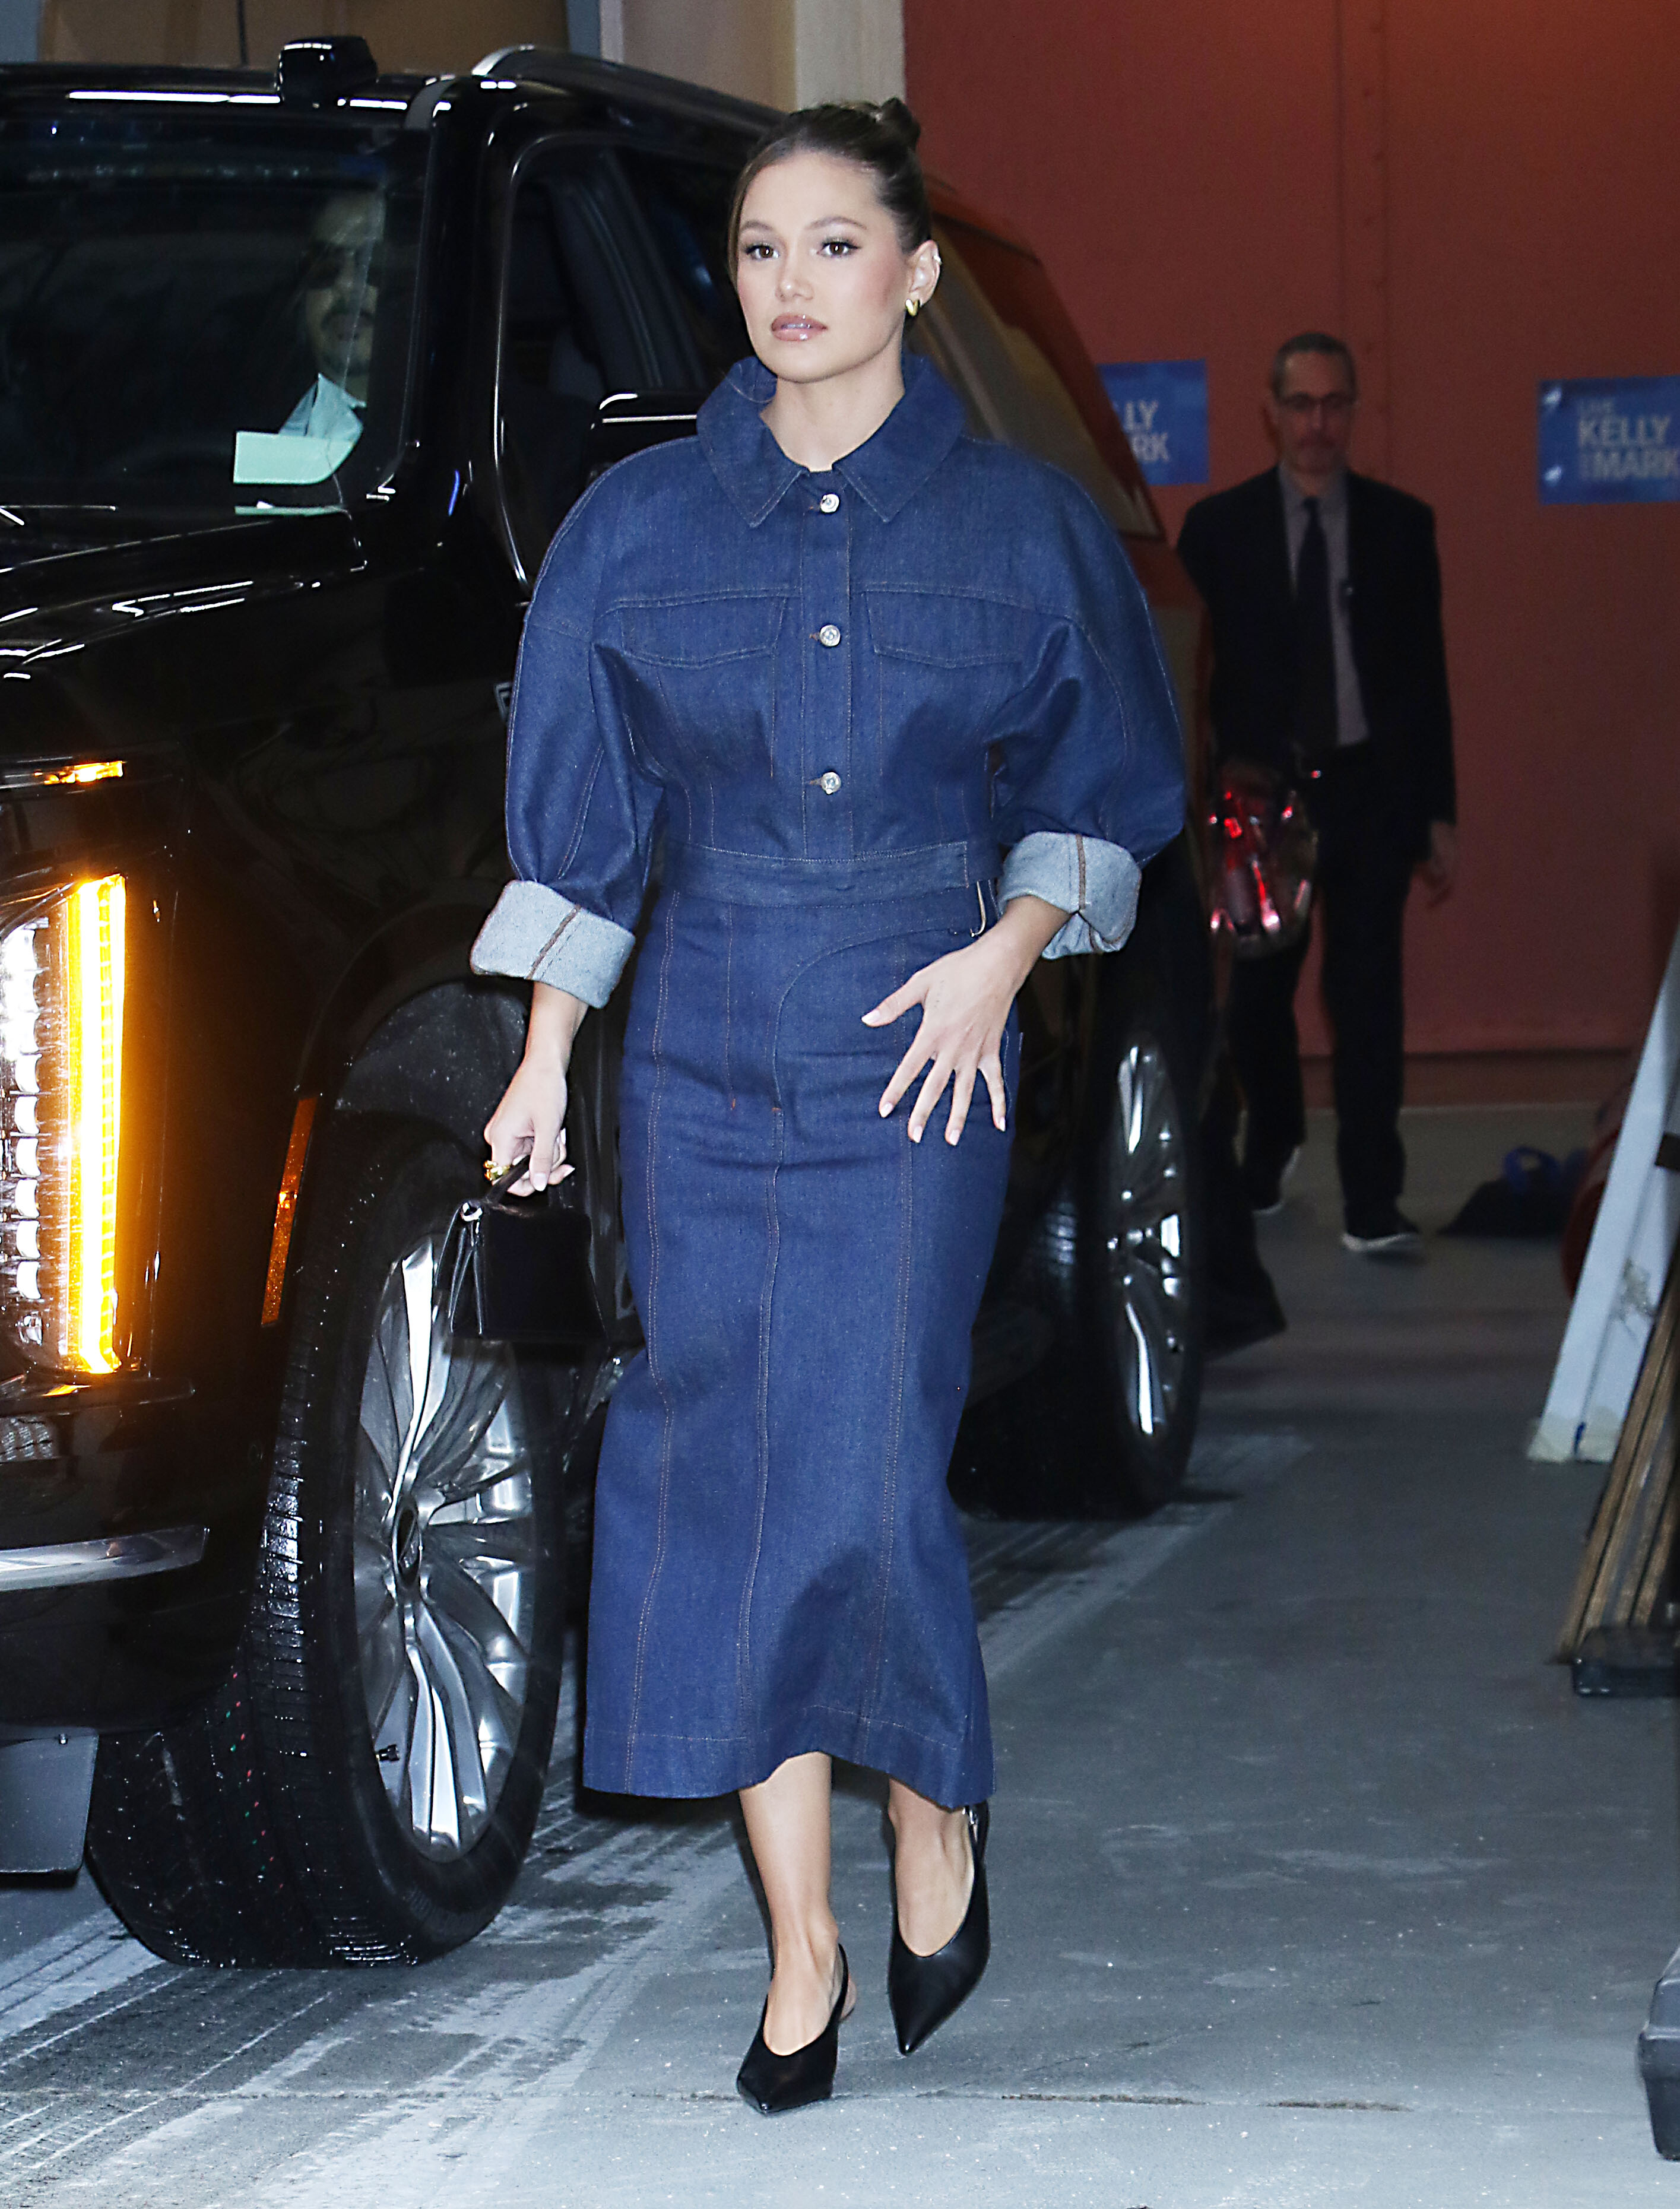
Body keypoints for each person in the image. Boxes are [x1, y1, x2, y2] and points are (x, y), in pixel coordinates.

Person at [471, 101, 1184, 2112]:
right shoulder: (636, 529)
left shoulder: (1022, 526)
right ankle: (799, 1947)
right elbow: (585, 833)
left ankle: (930, 1800)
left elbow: (1104, 780)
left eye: (835, 245)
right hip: (699, 1052)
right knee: (717, 1474)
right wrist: (543, 1060)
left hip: (922, 1039)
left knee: (863, 1468)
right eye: (760, 250)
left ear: (916, 274)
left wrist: (1004, 954)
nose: (790, 284)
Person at [1177, 334, 1456, 1254]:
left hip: (1369, 790)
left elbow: (1425, 679)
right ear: (1271, 413)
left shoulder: (1399, 527)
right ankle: (1274, 1136)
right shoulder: (1218, 532)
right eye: (1301, 405)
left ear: (1353, 411)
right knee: (1255, 1001)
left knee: (1368, 998)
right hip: (1258, 803)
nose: (1318, 424)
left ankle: (1373, 1202)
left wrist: (1437, 812)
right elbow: (1194, 676)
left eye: (1334, 404)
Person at [278, 191, 383, 454]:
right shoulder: (259, 439)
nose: (347, 283)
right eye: (324, 264)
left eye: (375, 262)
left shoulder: (472, 434)